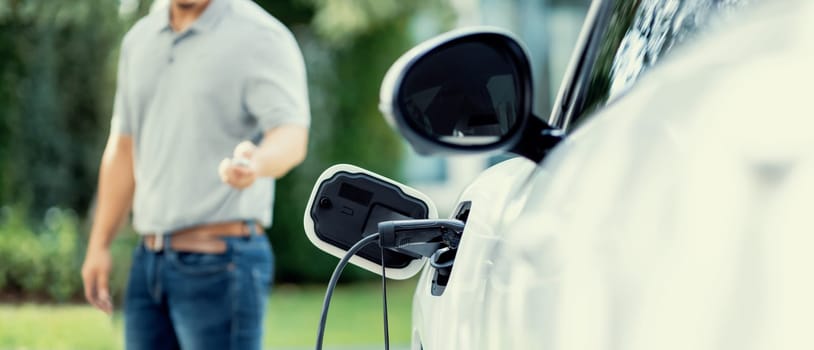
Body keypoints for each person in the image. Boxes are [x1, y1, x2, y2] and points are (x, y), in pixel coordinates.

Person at [80, 0, 310, 348]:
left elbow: (292, 135)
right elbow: (124, 148)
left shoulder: (260, 35)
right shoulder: (139, 39)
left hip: (223, 262)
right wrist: (99, 244)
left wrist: (256, 164)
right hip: (148, 262)